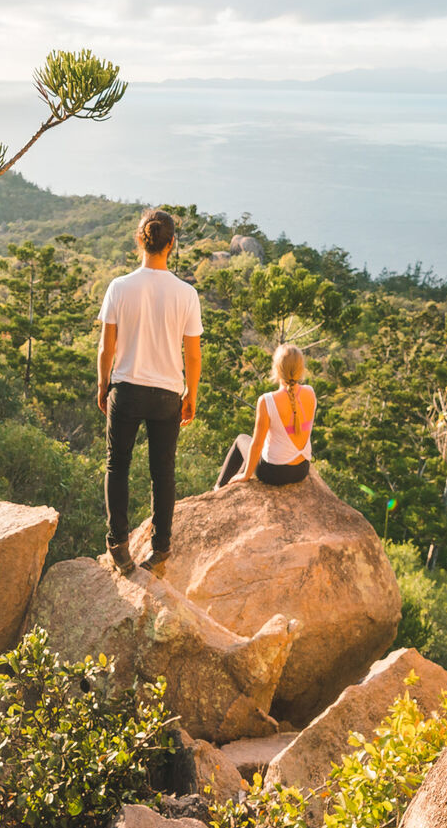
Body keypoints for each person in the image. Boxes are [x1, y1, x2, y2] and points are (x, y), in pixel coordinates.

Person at [96, 208, 202, 578]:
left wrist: (102, 384)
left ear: (140, 240)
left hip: (125, 388)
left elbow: (106, 348)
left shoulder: (119, 287)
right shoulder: (186, 294)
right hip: (167, 394)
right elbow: (192, 353)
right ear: (171, 244)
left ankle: (119, 547)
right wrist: (191, 393)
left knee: (117, 464)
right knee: (163, 472)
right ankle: (160, 550)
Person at [214, 343, 315, 489]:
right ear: (301, 368)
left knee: (241, 439)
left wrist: (246, 475)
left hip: (274, 473)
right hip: (301, 470)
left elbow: (257, 444)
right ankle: (230, 485)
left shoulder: (267, 400)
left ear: (277, 369)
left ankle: (219, 488)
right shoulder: (310, 393)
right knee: (256, 451)